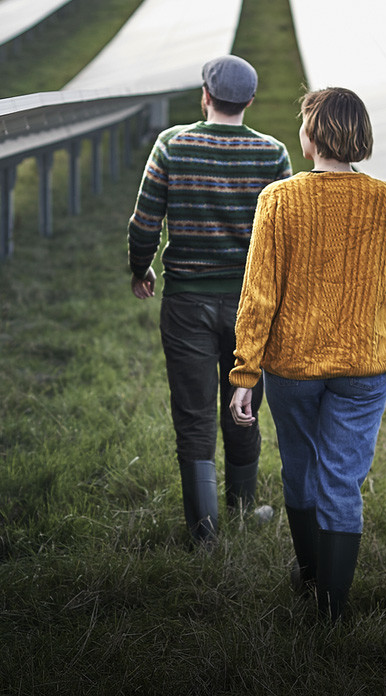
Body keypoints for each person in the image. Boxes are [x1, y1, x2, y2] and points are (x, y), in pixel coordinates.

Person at [228, 86, 386, 620]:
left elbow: (258, 292)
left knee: (300, 465)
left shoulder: (279, 199)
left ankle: (309, 572)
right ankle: (332, 610)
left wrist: (245, 373)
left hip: (293, 366)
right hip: (364, 367)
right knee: (342, 477)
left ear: (311, 138)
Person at [129, 55, 293, 548]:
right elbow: (282, 237)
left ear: (205, 96)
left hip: (187, 303)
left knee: (194, 412)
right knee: (243, 406)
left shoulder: (172, 144)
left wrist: (141, 268)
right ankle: (242, 510)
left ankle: (203, 530)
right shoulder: (273, 154)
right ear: (250, 101)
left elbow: (143, 222)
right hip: (251, 306)